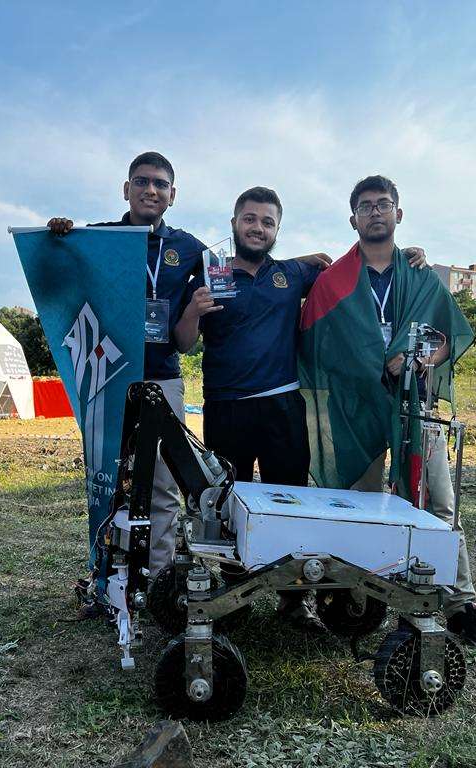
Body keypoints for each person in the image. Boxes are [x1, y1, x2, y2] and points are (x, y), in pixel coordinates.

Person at [47, 154, 330, 597]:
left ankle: (162, 588)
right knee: (107, 481)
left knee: (166, 489)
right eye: (142, 182)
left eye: (160, 184)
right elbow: (59, 265)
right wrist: (60, 234)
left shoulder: (195, 252)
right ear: (127, 189)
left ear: (173, 195)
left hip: (167, 379)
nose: (151, 190)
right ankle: (105, 582)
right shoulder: (100, 238)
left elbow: (186, 338)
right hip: (108, 375)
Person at [174, 186, 428, 632]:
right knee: (227, 505)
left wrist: (398, 257)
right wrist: (193, 312)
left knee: (292, 504)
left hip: (283, 406)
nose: (258, 228)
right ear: (234, 224)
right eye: (250, 219)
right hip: (225, 407)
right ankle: (234, 596)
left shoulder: (293, 274)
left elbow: (352, 276)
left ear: (277, 230)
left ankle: (295, 602)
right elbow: (182, 342)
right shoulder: (207, 277)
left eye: (267, 222)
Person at [298, 175, 476, 647]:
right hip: (357, 413)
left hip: (417, 406)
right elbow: (315, 345)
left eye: (384, 204)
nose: (376, 212)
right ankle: (354, 599)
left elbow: (442, 339)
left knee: (438, 501)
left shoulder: (420, 274)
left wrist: (420, 360)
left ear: (399, 213)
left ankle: (460, 604)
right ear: (353, 218)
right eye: (366, 206)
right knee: (360, 504)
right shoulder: (332, 281)